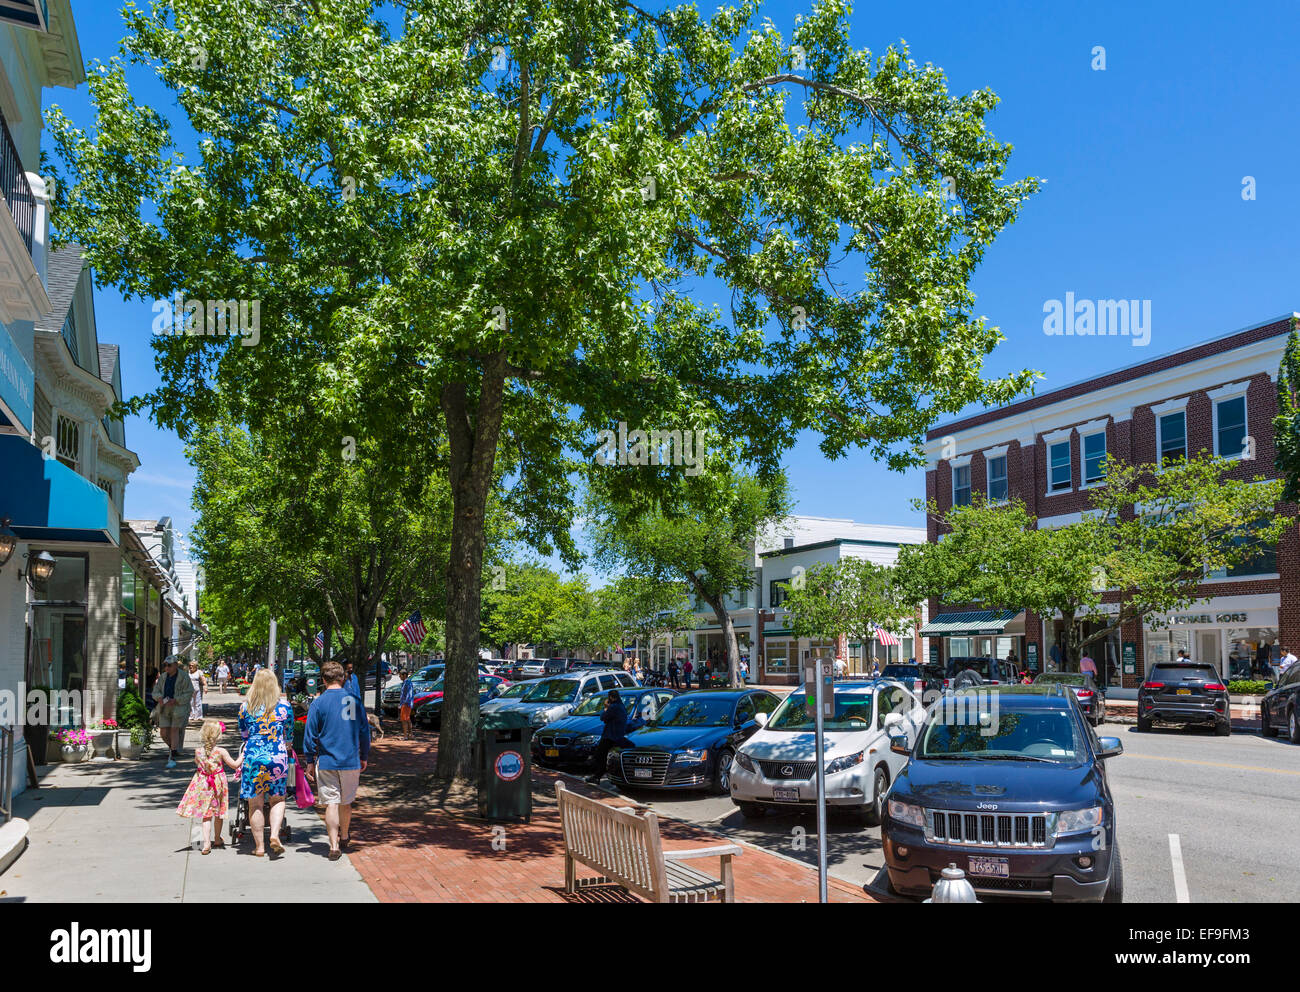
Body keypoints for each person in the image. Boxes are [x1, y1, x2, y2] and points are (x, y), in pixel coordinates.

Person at [303, 661, 370, 861]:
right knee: (346, 802)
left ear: (323, 680)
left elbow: (310, 734)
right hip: (350, 759)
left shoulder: (319, 703)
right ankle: (345, 835)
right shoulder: (355, 700)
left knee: (330, 803)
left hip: (326, 761)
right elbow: (364, 731)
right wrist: (364, 755)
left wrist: (308, 760)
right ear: (342, 678)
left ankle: (333, 845)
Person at [238, 669, 294, 858]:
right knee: (277, 799)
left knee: (255, 804)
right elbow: (289, 736)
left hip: (254, 758)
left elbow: (244, 734)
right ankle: (275, 835)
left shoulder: (246, 707)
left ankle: (260, 846)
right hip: (277, 757)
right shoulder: (285, 707)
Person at [176, 718, 241, 854]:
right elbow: (234, 765)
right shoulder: (221, 751)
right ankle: (217, 839)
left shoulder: (198, 751)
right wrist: (244, 755)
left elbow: (198, 765)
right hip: (218, 784)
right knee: (218, 813)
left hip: (203, 783)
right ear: (218, 735)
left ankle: (206, 844)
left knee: (206, 814)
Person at [152, 655, 195, 768]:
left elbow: (189, 692)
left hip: (178, 708)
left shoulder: (184, 677)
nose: (167, 668)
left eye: (169, 665)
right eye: (165, 665)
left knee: (174, 729)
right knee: (163, 732)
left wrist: (176, 700)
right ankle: (173, 748)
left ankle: (173, 752)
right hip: (164, 707)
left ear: (176, 665)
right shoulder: (163, 677)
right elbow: (155, 691)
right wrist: (159, 698)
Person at [585, 689, 633, 786]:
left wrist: (606, 707)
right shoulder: (622, 706)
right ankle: (598, 775)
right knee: (606, 756)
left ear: (611, 697)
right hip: (618, 735)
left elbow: (603, 717)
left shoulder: (614, 707)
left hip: (610, 736)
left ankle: (597, 776)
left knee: (599, 756)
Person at [398, 669, 416, 740]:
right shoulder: (406, 682)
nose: (399, 677)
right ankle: (410, 735)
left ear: (404, 675)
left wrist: (404, 703)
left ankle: (405, 736)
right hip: (406, 703)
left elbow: (409, 694)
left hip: (406, 704)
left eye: (400, 675)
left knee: (404, 720)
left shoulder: (407, 682)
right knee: (407, 719)